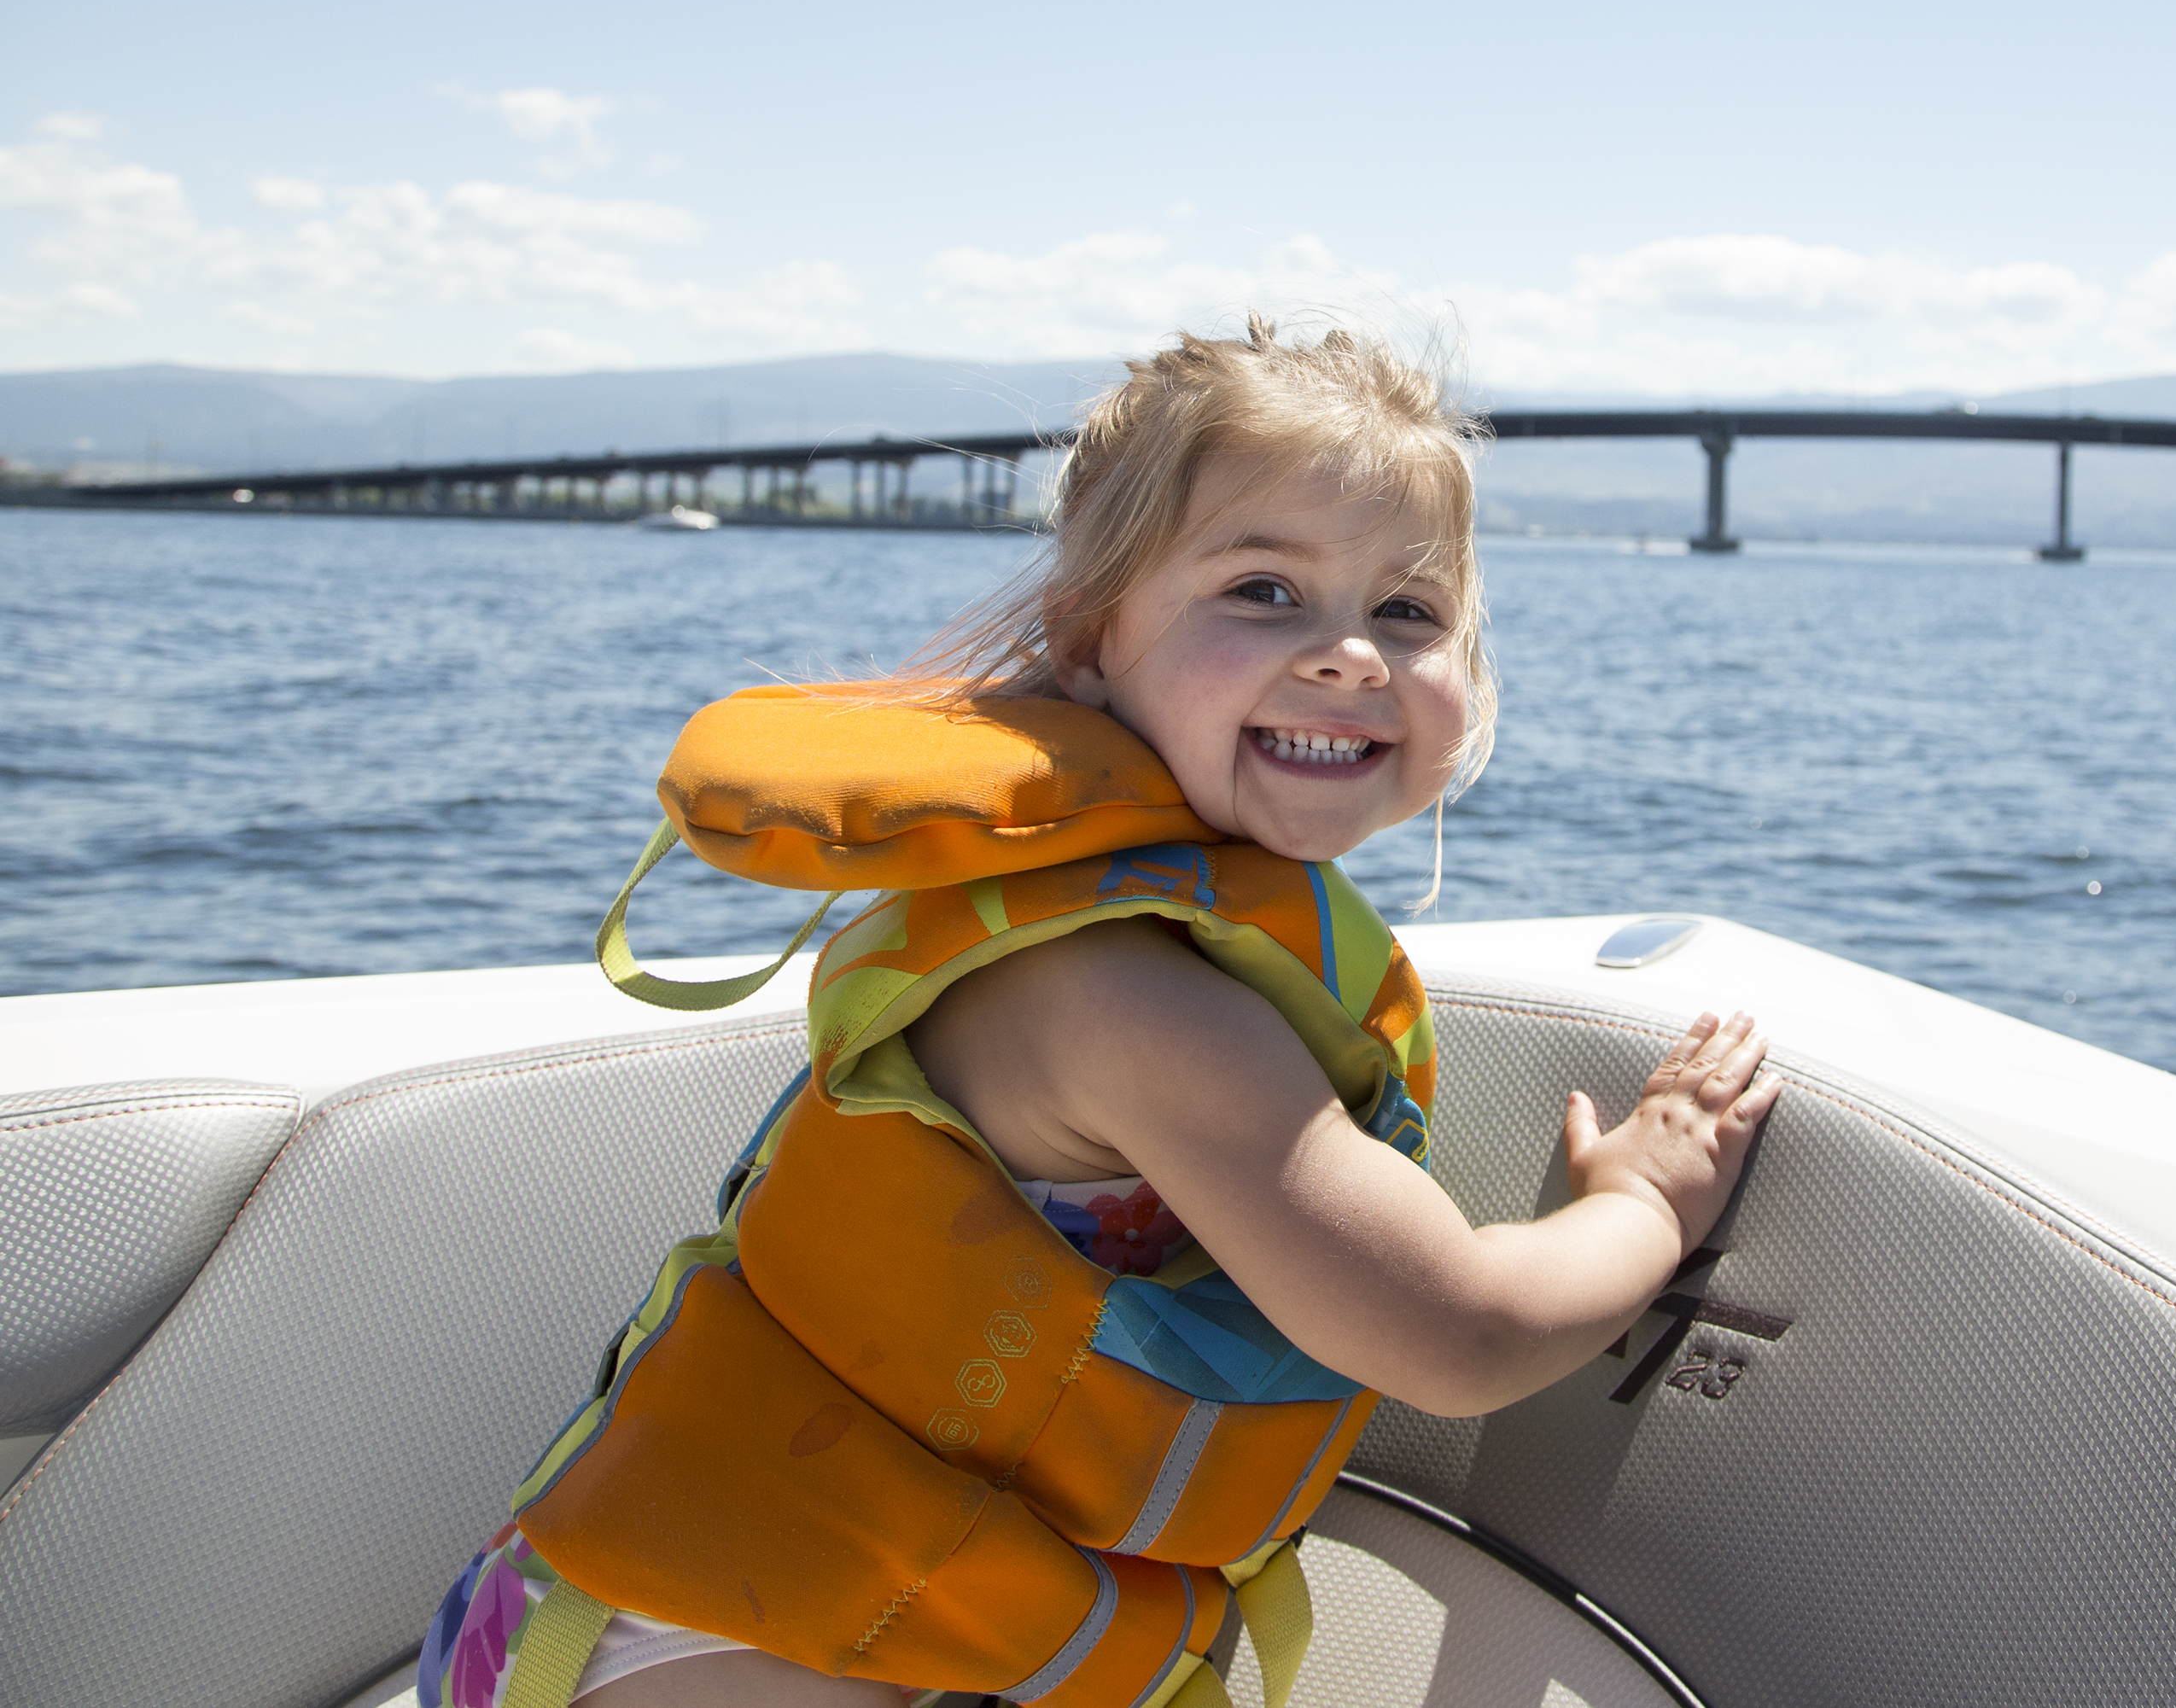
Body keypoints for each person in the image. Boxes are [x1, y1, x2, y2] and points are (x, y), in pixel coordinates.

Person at [419, 318, 1781, 1708]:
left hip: (742, 1592)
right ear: (1088, 645)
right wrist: (1649, 1199)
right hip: (702, 1632)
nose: (1354, 656)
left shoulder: (1105, 923)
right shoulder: (1131, 1005)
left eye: (1411, 613)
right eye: (1264, 590)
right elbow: (1461, 1337)